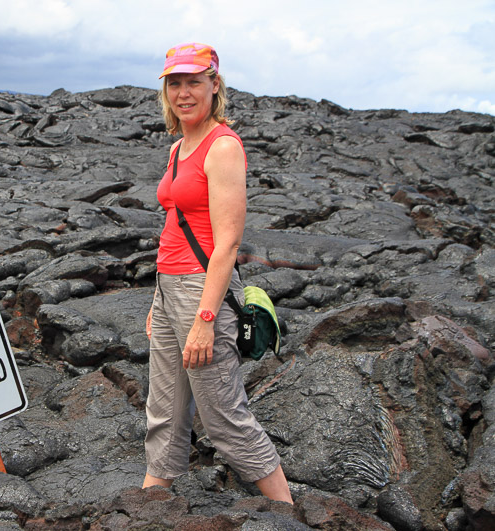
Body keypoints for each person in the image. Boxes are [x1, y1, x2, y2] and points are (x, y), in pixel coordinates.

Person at [143, 42, 293, 504]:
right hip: (169, 288)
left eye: (194, 82)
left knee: (223, 416)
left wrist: (205, 319)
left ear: (214, 85)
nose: (183, 93)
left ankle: (286, 510)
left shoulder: (222, 146)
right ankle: (148, 506)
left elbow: (227, 243)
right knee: (165, 411)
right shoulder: (178, 148)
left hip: (202, 291)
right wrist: (158, 302)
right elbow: (174, 226)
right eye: (175, 83)